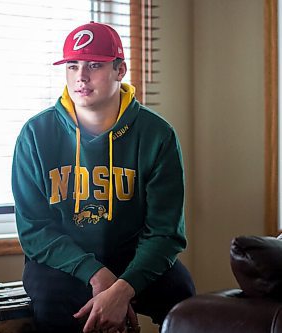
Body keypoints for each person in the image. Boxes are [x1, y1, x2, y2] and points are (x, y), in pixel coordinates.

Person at [12, 21, 195, 333]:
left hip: (133, 257)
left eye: (94, 65)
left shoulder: (156, 135)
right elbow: (35, 231)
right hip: (64, 262)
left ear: (119, 70)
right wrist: (97, 275)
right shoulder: (36, 134)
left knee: (183, 296)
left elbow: (165, 233)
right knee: (50, 296)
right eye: (73, 66)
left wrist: (122, 289)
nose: (81, 77)